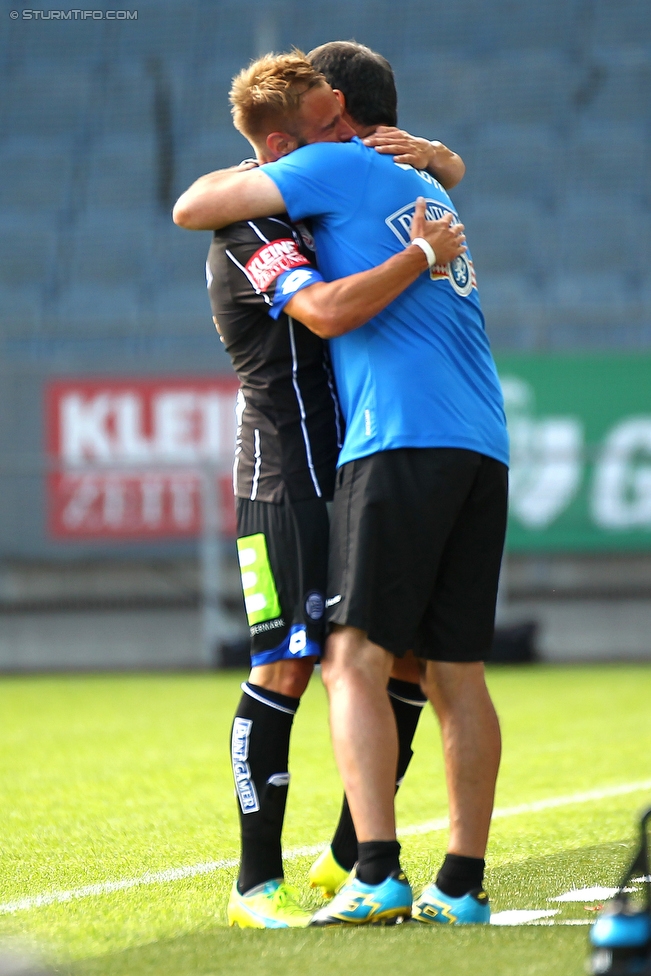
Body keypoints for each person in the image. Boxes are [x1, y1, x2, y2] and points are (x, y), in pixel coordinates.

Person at [175, 51, 467, 929]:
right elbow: (326, 312)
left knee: (402, 658)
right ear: (281, 139)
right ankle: (253, 886)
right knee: (288, 664)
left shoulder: (310, 193)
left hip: (353, 466)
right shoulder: (249, 228)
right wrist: (420, 253)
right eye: (325, 121)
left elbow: (433, 173)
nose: (344, 134)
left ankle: (348, 855)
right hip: (283, 476)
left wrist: (435, 158)